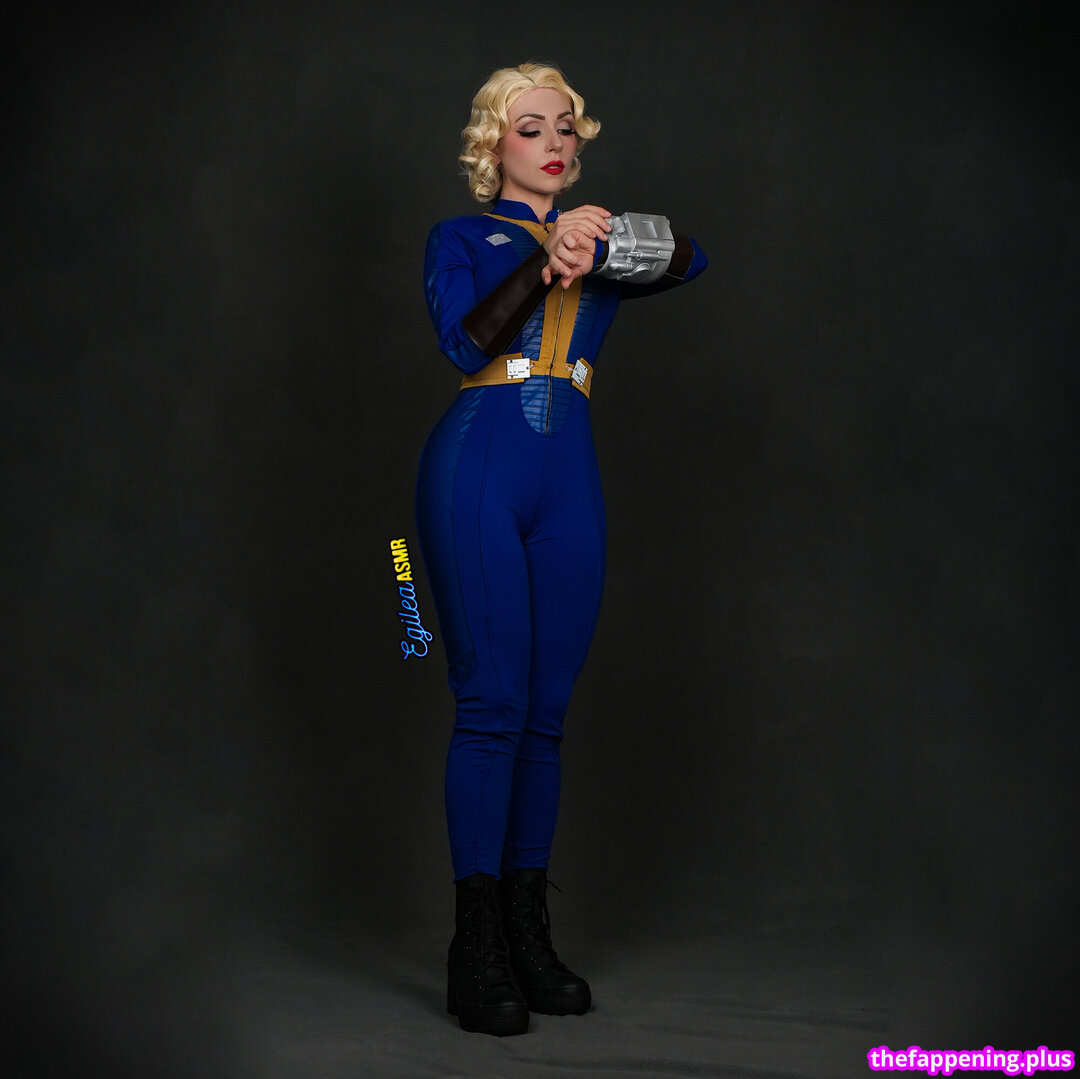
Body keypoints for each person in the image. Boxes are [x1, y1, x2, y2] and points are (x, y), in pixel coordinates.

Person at [415, 62, 707, 1037]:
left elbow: (693, 259)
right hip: (479, 464)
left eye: (566, 126)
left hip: (568, 477)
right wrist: (545, 261)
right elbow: (465, 343)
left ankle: (527, 933)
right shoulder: (462, 237)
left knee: (545, 714)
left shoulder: (598, 241)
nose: (553, 141)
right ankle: (474, 946)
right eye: (529, 125)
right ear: (493, 145)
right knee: (491, 702)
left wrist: (604, 236)